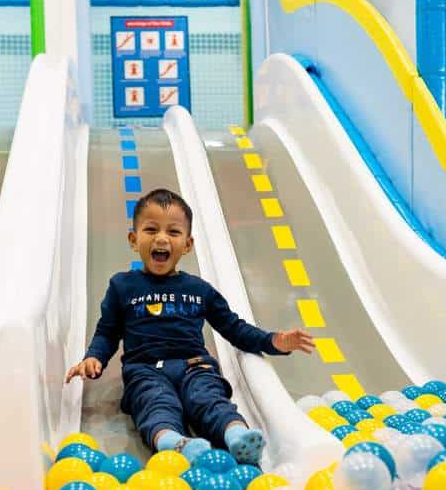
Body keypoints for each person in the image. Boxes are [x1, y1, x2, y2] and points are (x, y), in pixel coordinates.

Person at [66, 187, 314, 464]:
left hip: (196, 365)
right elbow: (108, 331)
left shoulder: (199, 289)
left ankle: (237, 435)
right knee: (154, 403)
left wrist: (273, 341)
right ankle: (174, 442)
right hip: (146, 370)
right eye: (151, 230)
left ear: (187, 244)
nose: (161, 238)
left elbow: (234, 328)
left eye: (173, 232)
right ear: (134, 240)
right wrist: (93, 357)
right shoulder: (122, 286)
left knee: (209, 399)